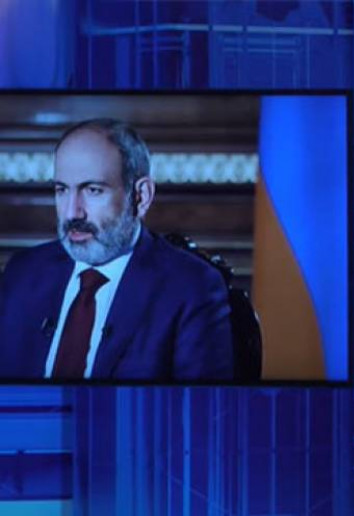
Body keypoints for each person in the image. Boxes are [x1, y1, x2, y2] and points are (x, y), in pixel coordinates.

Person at [0, 118, 233, 381]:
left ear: (141, 196)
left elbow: (202, 402)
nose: (72, 212)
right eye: (62, 190)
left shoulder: (191, 288)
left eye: (93, 190)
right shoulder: (22, 273)